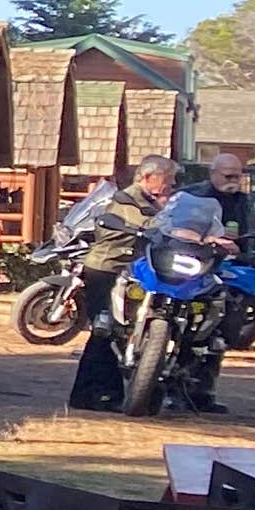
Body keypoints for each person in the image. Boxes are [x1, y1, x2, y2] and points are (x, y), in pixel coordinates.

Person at [66, 155, 179, 410]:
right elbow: (148, 225)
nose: (171, 185)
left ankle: (88, 395)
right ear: (148, 177)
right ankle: (102, 395)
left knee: (115, 333)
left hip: (128, 273)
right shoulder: (127, 199)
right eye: (167, 180)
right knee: (106, 331)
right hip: (106, 270)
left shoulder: (150, 201)